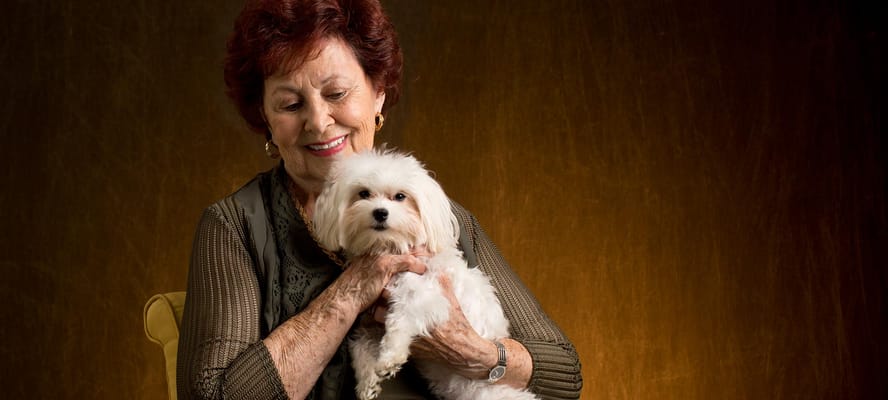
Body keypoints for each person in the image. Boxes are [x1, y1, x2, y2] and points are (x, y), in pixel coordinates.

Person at [176, 0, 583, 399]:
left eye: (336, 93)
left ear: (378, 96)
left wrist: (472, 352)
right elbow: (210, 395)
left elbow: (563, 372)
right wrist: (351, 291)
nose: (318, 121)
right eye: (290, 104)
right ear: (266, 118)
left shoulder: (435, 215)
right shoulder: (236, 225)